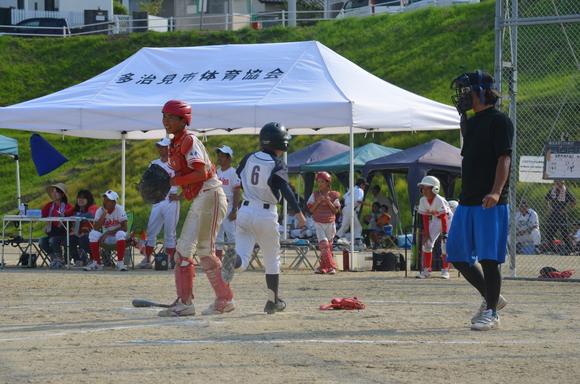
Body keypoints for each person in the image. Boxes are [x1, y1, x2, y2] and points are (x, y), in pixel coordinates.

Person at [447, 70, 513, 331]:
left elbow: (503, 158)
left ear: (482, 92)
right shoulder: (472, 123)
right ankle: (491, 298)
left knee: (488, 258)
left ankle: (493, 314)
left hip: (490, 200)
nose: (462, 96)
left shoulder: (499, 121)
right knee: (457, 255)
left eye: (467, 90)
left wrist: (496, 191)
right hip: (468, 199)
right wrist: (463, 118)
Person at [156, 100, 231, 317]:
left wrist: (171, 183)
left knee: (205, 253)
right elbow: (188, 178)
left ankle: (224, 299)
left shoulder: (190, 141)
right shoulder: (176, 143)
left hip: (211, 196)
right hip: (200, 198)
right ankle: (185, 303)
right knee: (182, 253)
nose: (165, 121)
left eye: (171, 117)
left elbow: (200, 174)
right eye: (164, 116)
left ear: (183, 120)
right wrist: (177, 188)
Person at [221, 122, 306, 314]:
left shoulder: (249, 157)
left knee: (243, 260)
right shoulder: (277, 164)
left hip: (245, 210)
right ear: (280, 142)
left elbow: (240, 179)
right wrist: (299, 212)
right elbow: (284, 188)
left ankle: (232, 261)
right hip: (265, 213)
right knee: (272, 260)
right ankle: (272, 301)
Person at [136, 138, 182, 269]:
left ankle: (167, 261)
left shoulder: (176, 164)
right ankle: (147, 260)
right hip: (157, 201)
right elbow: (147, 181)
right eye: (159, 147)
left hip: (170, 200)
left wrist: (180, 196)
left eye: (163, 147)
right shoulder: (154, 163)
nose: (160, 149)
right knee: (151, 232)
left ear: (169, 149)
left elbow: (186, 181)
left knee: (170, 234)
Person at [415, 176, 453, 279]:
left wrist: (444, 234)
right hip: (436, 220)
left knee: (445, 245)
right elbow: (425, 218)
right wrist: (427, 234)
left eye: (427, 188)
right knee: (427, 243)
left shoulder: (439, 200)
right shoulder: (423, 200)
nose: (424, 191)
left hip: (448, 221)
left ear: (435, 189)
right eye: (423, 188)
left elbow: (444, 218)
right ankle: (427, 270)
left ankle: (446, 271)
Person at [84, 190, 129, 272]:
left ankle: (119, 263)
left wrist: (107, 233)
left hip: (117, 238)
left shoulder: (119, 209)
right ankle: (97, 263)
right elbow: (96, 228)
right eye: (104, 200)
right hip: (106, 239)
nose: (105, 202)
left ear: (114, 203)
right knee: (93, 234)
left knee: (120, 233)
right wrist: (104, 213)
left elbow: (125, 227)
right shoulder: (100, 211)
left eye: (108, 201)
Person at [307, 171, 341, 274]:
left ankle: (322, 267)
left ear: (328, 182)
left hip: (330, 222)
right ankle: (331, 266)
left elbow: (336, 211)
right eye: (318, 182)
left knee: (327, 246)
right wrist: (318, 201)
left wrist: (328, 202)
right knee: (323, 244)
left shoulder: (333, 195)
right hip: (318, 222)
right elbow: (311, 209)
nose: (320, 184)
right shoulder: (315, 195)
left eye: (322, 181)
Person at [214, 145, 241, 259]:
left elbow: (236, 192)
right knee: (217, 236)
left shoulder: (233, 172)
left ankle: (233, 260)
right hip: (217, 206)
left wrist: (234, 210)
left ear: (229, 158)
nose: (220, 158)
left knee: (232, 236)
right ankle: (218, 261)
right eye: (219, 156)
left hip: (229, 206)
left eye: (223, 156)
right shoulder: (215, 172)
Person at [39, 183, 74, 268]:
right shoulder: (50, 205)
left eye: (56, 192)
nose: (54, 194)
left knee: (52, 240)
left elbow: (73, 218)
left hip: (64, 234)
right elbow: (41, 214)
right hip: (52, 232)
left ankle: (60, 258)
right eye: (53, 192)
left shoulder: (68, 206)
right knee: (42, 241)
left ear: (62, 194)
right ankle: (54, 257)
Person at [64, 189, 98, 267]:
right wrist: (62, 214)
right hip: (78, 233)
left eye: (83, 198)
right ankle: (77, 260)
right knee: (68, 239)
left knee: (82, 240)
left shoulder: (93, 207)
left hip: (90, 233)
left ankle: (94, 258)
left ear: (88, 199)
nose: (80, 200)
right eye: (79, 198)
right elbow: (65, 214)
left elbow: (90, 215)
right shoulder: (76, 208)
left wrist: (75, 217)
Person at [544, 180, 577, 253]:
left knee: (565, 233)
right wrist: (549, 208)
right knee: (549, 232)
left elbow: (574, 201)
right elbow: (546, 199)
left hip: (562, 214)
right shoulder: (553, 190)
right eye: (556, 181)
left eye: (559, 180)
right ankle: (554, 249)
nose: (557, 182)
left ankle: (570, 249)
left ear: (562, 181)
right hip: (553, 214)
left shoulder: (565, 191)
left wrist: (565, 209)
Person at [335, 177, 371, 244]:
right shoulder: (360, 190)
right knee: (345, 227)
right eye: (364, 184)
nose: (365, 186)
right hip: (350, 209)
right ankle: (335, 239)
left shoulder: (352, 189)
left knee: (358, 227)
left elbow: (343, 197)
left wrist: (348, 203)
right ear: (361, 184)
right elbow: (359, 200)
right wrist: (366, 204)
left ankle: (357, 242)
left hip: (348, 209)